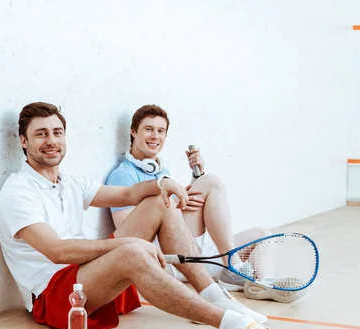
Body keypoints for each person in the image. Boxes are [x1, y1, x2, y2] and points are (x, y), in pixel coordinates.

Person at [0, 102, 294, 329]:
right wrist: (127, 244)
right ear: (24, 141)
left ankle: (216, 296)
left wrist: (160, 184)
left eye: (57, 133)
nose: (51, 141)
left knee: (158, 204)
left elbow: (127, 195)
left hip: (85, 276)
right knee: (131, 252)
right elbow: (57, 251)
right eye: (41, 134)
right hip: (53, 296)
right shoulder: (18, 192)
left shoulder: (71, 182)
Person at [105, 104, 274, 293]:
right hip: (167, 258)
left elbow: (182, 208)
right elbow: (128, 233)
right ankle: (232, 267)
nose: (155, 136)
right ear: (134, 132)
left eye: (161, 131)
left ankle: (262, 287)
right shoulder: (122, 175)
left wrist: (196, 177)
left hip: (194, 250)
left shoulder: (162, 172)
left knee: (263, 234)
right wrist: (177, 203)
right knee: (212, 183)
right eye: (148, 129)